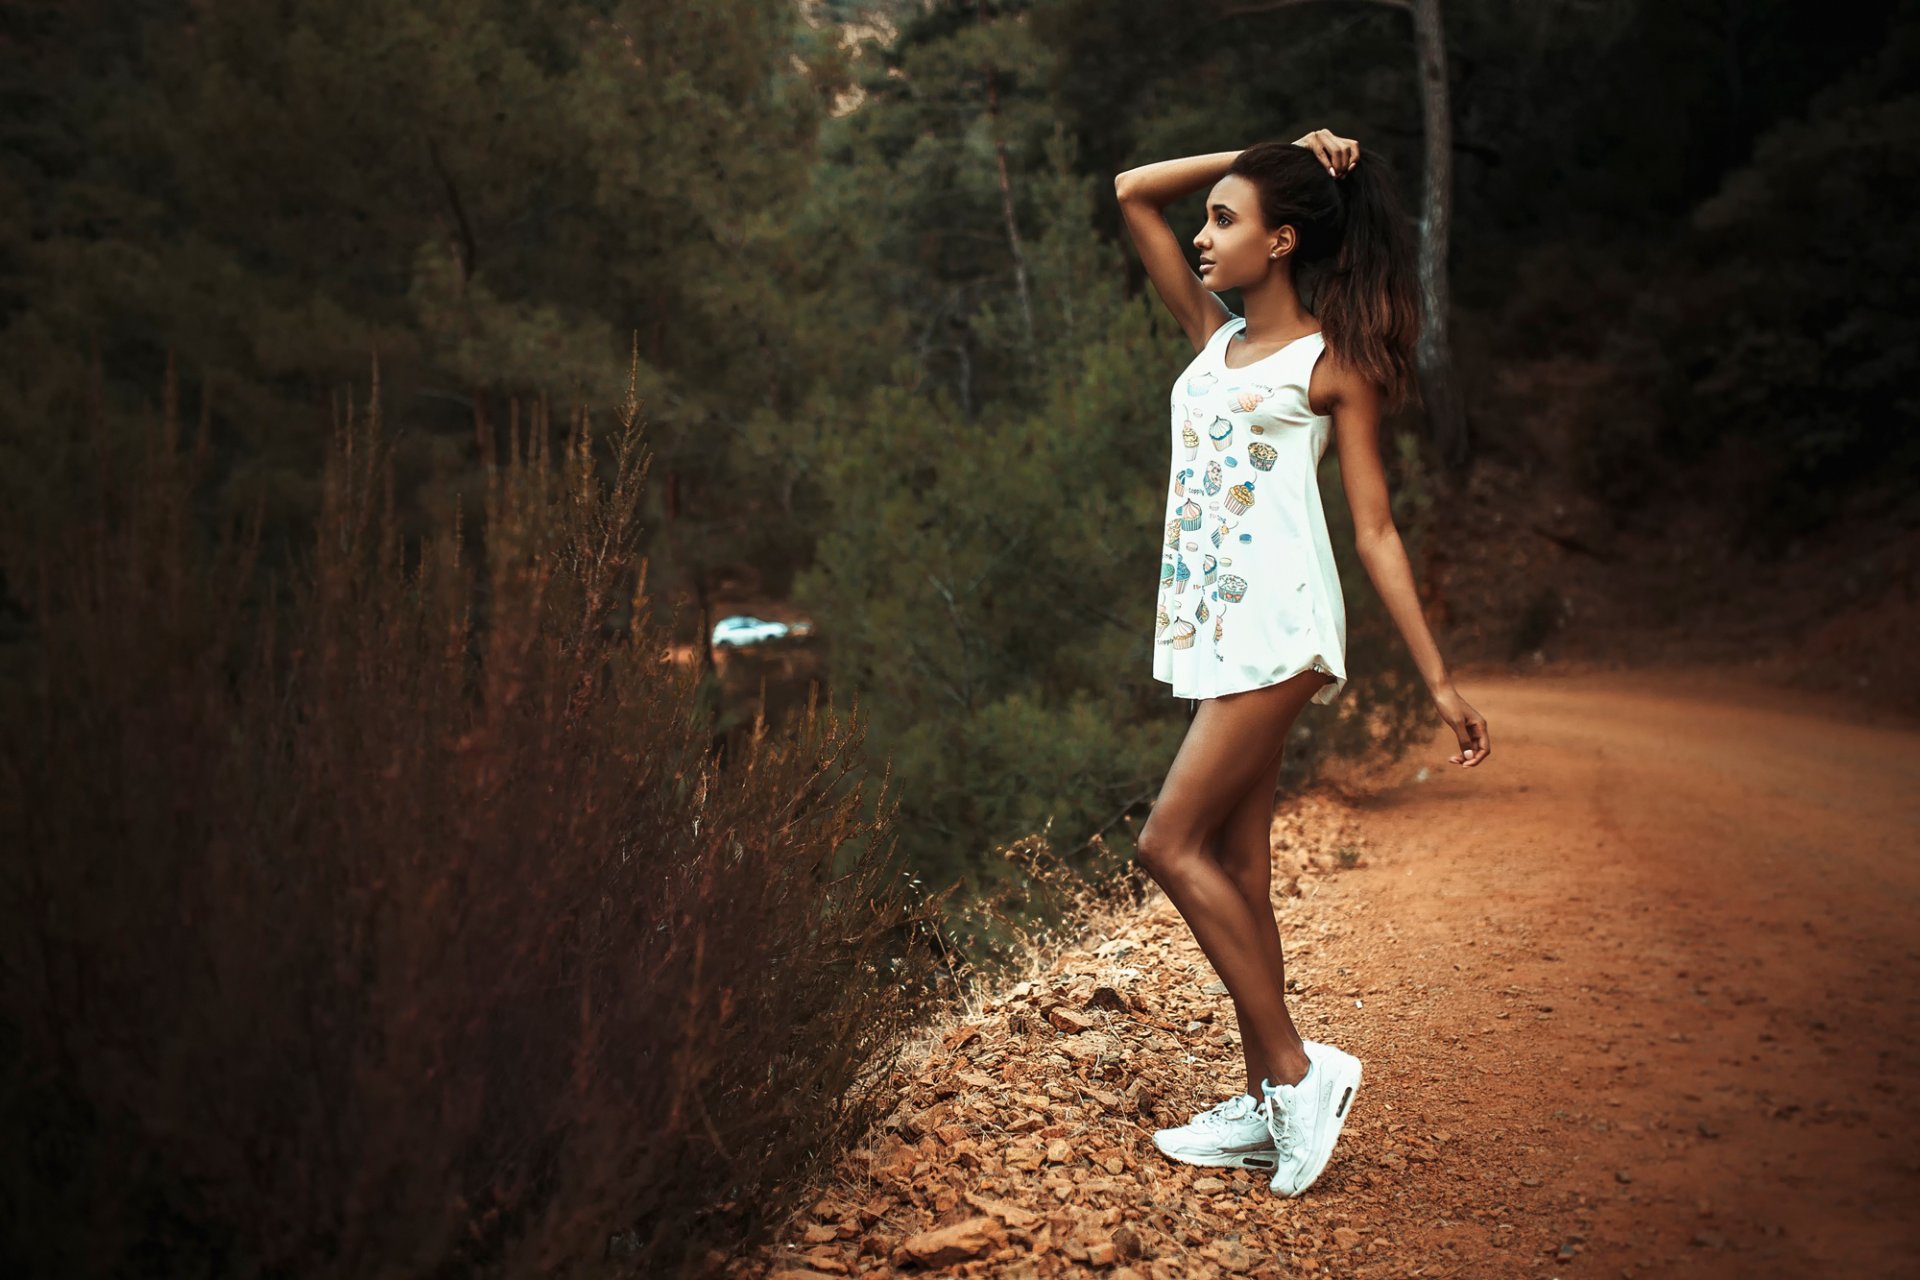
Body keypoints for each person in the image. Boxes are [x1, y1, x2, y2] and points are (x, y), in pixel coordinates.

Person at [1113, 129, 1491, 1198]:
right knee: (1239, 867)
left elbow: (1375, 531)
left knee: (1166, 841)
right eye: (1208, 218)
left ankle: (1295, 1070)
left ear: (1280, 241)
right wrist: (1266, 149)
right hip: (1214, 633)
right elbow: (1132, 191)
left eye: (1225, 219)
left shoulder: (1330, 366)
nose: (1202, 235)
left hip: (1280, 629)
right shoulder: (1211, 336)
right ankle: (1265, 1105)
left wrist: (1439, 680)